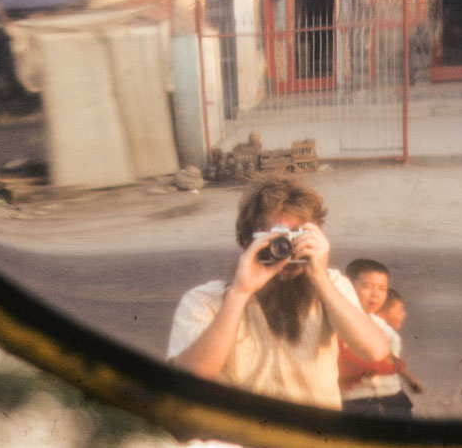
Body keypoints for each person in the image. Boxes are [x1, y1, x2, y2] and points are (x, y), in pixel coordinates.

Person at [166, 176, 388, 410]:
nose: (286, 250)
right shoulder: (205, 300)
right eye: (276, 239)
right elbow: (190, 379)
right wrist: (240, 293)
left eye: (295, 237)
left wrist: (319, 277)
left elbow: (374, 351)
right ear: (246, 241)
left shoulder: (330, 285)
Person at [337, 258, 414, 417]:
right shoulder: (337, 322)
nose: (376, 295)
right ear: (348, 285)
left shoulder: (381, 325)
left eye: (382, 288)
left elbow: (389, 357)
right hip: (356, 402)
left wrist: (410, 379)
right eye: (367, 286)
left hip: (393, 397)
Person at [377, 288, 423, 395]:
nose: (403, 314)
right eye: (399, 310)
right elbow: (390, 358)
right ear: (380, 312)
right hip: (383, 389)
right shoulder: (387, 333)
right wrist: (410, 379)